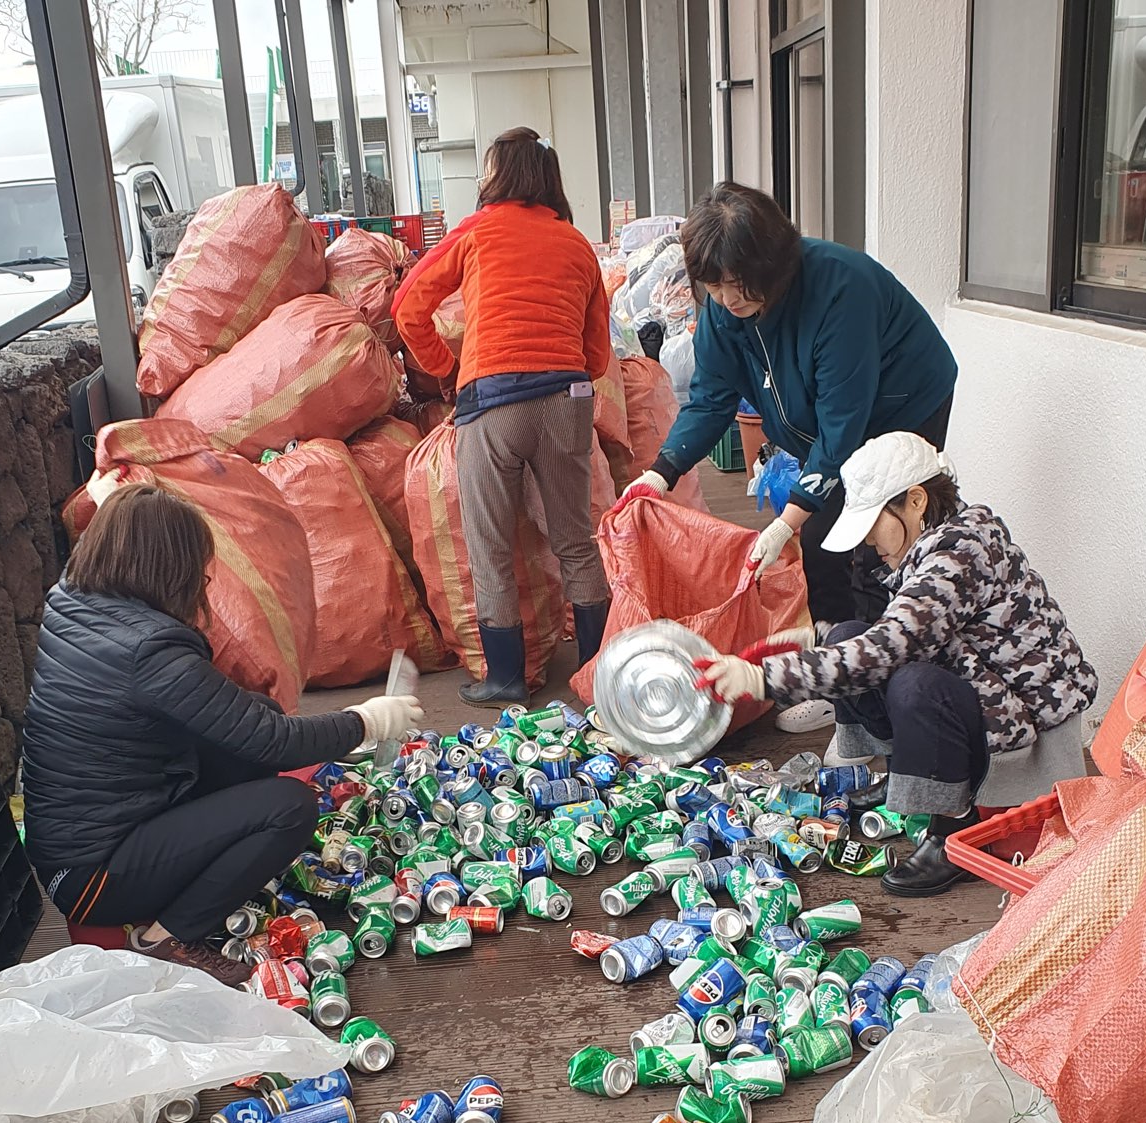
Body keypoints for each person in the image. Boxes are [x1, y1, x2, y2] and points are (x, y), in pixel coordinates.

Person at [23, 485, 423, 984]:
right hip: (94, 874)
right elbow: (278, 742)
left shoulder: (73, 600)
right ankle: (164, 939)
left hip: (78, 832)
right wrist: (368, 720)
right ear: (171, 569)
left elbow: (250, 725)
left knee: (249, 716)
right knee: (289, 806)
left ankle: (185, 887)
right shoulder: (150, 650)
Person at [698, 433, 1097, 898]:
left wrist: (763, 678)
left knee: (913, 684)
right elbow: (888, 634)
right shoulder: (936, 542)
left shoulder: (959, 555)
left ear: (915, 500)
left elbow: (889, 648)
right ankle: (907, 784)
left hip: (1026, 726)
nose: (867, 540)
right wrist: (817, 636)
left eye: (873, 523)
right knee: (849, 635)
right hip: (988, 693)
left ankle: (954, 829)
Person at [624, 183, 959, 671]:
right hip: (831, 419)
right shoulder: (722, 306)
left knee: (876, 540)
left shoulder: (840, 288)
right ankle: (838, 664)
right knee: (824, 545)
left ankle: (885, 673)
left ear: (773, 263)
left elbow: (841, 426)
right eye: (714, 287)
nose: (727, 299)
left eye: (739, 284)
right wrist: (661, 472)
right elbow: (710, 399)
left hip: (903, 402)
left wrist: (787, 522)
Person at [394, 126, 614, 707]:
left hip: (491, 403)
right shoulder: (576, 244)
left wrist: (448, 368)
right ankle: (597, 674)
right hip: (566, 398)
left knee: (489, 544)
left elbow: (407, 306)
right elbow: (596, 353)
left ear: (499, 175)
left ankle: (506, 678)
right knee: (575, 541)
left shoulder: (476, 232)